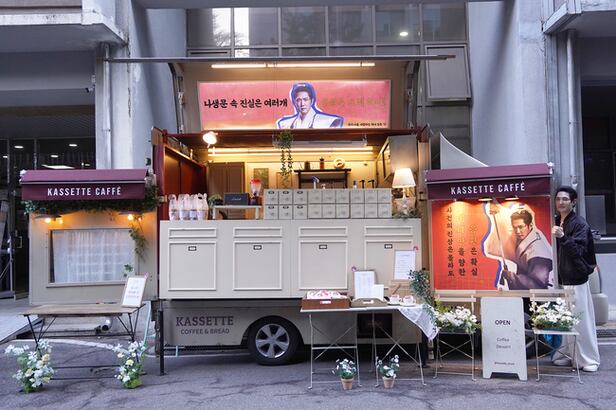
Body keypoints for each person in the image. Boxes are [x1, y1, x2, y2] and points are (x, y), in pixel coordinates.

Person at [551, 186, 600, 372]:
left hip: (576, 279)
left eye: (565, 199)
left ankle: (588, 359)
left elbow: (579, 251)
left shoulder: (579, 224)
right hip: (563, 279)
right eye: (558, 199)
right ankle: (568, 354)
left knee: (581, 320)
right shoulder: (557, 220)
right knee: (566, 319)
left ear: (573, 202)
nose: (560, 202)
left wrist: (563, 237)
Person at [485, 203, 553, 290]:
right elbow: (505, 225)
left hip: (538, 295)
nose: (517, 231)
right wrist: (498, 212)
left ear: (530, 225)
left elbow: (537, 285)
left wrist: (511, 276)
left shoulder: (538, 253)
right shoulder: (528, 235)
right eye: (514, 227)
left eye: (520, 227)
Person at [276, 82, 343, 129]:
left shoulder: (331, 121)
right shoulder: (285, 124)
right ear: (295, 102)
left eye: (305, 99)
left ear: (312, 101)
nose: (302, 104)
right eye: (299, 100)